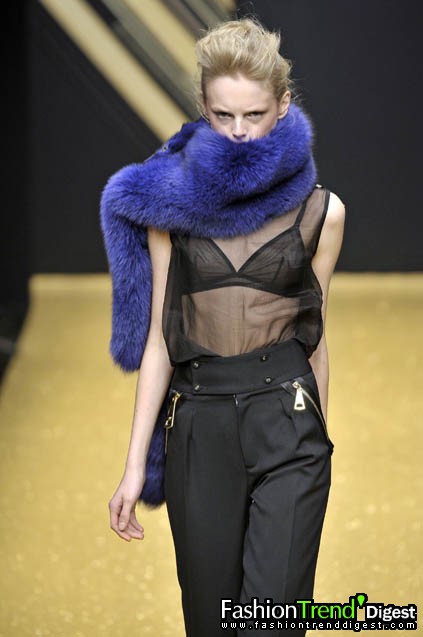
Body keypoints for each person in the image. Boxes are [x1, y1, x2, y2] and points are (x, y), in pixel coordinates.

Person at [104, 17, 345, 637]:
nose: (239, 131)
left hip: (288, 427)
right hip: (199, 427)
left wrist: (320, 434)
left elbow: (315, 333)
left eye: (254, 114)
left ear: (283, 106)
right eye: (223, 115)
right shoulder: (169, 210)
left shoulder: (322, 212)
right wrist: (134, 465)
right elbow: (160, 340)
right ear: (203, 109)